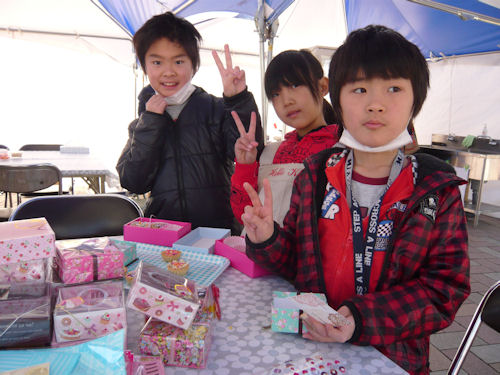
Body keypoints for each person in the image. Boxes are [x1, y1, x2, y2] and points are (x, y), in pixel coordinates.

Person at [241, 25, 470, 375]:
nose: (375, 104)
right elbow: (294, 264)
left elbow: (444, 289)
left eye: (394, 88)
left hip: (391, 359)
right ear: (338, 98)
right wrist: (267, 238)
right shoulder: (314, 176)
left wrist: (360, 318)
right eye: (359, 89)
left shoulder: (437, 190)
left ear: (415, 102)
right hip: (312, 349)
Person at [116, 12, 264, 234]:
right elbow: (133, 182)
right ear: (145, 67)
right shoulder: (143, 122)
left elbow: (249, 151)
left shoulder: (216, 109)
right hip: (166, 237)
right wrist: (152, 122)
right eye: (157, 62)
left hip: (219, 233)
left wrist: (238, 100)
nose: (168, 72)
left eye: (178, 61)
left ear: (194, 65)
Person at [230, 49, 339, 228]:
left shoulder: (341, 148)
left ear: (322, 87)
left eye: (295, 85)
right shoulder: (270, 152)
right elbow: (245, 213)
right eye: (275, 94)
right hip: (261, 253)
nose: (286, 101)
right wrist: (245, 166)